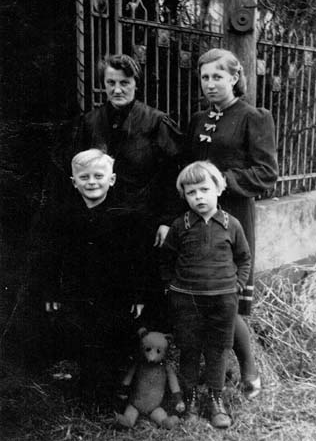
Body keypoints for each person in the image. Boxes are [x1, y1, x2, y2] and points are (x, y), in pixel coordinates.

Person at [185, 48, 278, 399]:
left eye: (217, 77)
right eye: (205, 77)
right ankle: (217, 374)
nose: (210, 84)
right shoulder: (197, 119)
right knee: (204, 292)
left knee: (227, 297)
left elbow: (267, 174)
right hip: (198, 217)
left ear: (235, 78)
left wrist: (221, 180)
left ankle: (250, 371)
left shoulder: (253, 117)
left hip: (233, 217)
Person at [74, 54, 183, 328]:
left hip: (143, 222)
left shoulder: (156, 123)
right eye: (111, 82)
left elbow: (173, 175)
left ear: (136, 84)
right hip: (102, 223)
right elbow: (80, 170)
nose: (117, 89)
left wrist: (166, 221)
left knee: (142, 289)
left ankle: (147, 356)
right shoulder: (90, 122)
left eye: (124, 82)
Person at [32, 148, 147, 402]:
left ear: (112, 179)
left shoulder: (126, 216)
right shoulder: (63, 216)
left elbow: (138, 260)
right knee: (83, 337)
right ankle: (86, 388)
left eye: (98, 176)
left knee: (112, 339)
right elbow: (51, 257)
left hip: (114, 293)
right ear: (74, 182)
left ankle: (111, 392)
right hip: (78, 292)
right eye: (84, 177)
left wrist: (137, 294)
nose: (92, 182)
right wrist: (52, 291)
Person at [160, 161, 251, 428]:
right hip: (187, 300)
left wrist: (238, 285)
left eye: (204, 189)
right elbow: (166, 260)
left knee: (218, 350)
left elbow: (244, 258)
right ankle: (188, 402)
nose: (198, 197)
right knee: (189, 350)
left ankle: (215, 400)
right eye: (191, 192)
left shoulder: (231, 224)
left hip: (223, 300)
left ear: (219, 190)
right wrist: (170, 287)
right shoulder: (181, 225)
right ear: (184, 196)